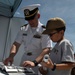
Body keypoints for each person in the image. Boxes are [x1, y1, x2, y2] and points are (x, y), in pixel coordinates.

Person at [3, 4, 52, 74]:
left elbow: (47, 49)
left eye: (32, 18)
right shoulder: (24, 29)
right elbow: (16, 44)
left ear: (38, 16)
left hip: (37, 62)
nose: (30, 21)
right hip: (24, 60)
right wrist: (11, 56)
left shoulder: (44, 30)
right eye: (28, 19)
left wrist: (34, 62)